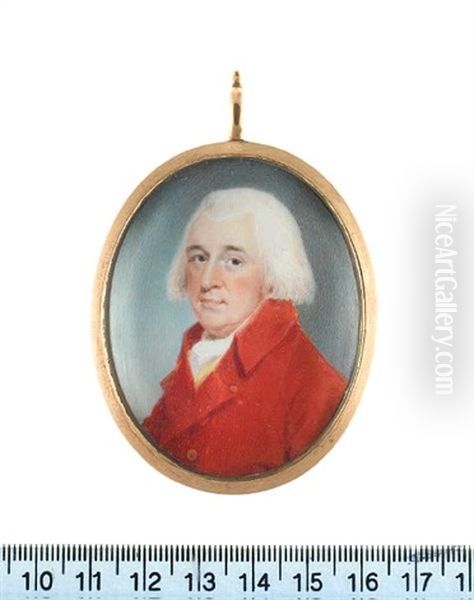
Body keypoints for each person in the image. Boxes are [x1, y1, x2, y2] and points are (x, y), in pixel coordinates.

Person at [143, 187, 348, 477]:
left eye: (234, 262)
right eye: (199, 258)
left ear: (272, 275)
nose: (207, 281)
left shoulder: (315, 386)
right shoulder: (194, 356)